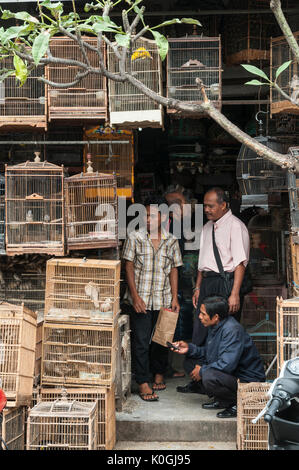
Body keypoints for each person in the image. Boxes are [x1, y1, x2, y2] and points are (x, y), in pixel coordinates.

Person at [122, 195, 183, 402]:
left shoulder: (172, 241)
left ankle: (159, 372)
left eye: (152, 216)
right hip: (142, 300)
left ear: (164, 217)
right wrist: (135, 296)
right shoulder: (135, 237)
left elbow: (174, 269)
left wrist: (175, 297)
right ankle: (143, 381)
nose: (147, 220)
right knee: (140, 341)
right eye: (145, 215)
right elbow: (128, 266)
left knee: (162, 340)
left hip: (164, 297)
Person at [173, 296, 265, 418]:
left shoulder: (232, 330)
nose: (200, 317)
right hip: (232, 373)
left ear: (216, 317)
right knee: (190, 361)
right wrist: (189, 348)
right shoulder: (216, 325)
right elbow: (210, 352)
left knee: (209, 376)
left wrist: (202, 370)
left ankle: (237, 403)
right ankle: (223, 399)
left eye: (203, 314)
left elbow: (227, 364)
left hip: (246, 381)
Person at [192, 187, 250, 347]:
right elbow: (201, 262)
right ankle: (203, 368)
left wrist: (235, 294)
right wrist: (197, 288)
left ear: (223, 205)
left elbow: (240, 263)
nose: (206, 210)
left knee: (224, 332)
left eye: (211, 206)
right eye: (205, 206)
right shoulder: (206, 228)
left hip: (225, 284)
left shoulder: (236, 226)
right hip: (207, 284)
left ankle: (223, 368)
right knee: (201, 330)